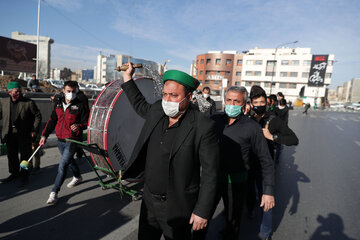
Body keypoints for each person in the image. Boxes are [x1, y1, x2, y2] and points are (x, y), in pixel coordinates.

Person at [121, 63, 220, 240]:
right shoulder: (158, 110)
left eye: (174, 96)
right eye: (165, 94)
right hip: (149, 200)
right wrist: (128, 78)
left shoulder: (203, 126)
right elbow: (139, 103)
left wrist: (202, 211)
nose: (167, 100)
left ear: (188, 97)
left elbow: (210, 173)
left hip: (178, 207)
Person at [210, 86, 275, 240]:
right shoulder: (214, 121)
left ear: (245, 104)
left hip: (237, 183)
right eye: (229, 100)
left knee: (233, 221)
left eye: (236, 101)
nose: (231, 104)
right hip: (213, 180)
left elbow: (266, 159)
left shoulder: (252, 127)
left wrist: (268, 191)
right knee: (202, 218)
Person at [248, 85, 299, 239]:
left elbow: (293, 139)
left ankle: (266, 232)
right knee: (250, 194)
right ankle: (250, 208)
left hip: (266, 167)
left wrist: (273, 137)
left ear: (267, 103)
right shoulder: (247, 119)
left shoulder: (274, 120)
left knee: (267, 201)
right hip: (249, 166)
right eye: (255, 103)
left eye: (261, 102)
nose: (258, 105)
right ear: (251, 104)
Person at [40, 80, 89, 205]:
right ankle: (78, 176)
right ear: (63, 90)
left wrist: (79, 125)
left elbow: (87, 121)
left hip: (72, 140)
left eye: (73, 91)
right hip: (60, 139)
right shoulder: (57, 103)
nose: (71, 94)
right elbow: (52, 120)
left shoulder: (80, 104)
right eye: (68, 91)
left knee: (62, 166)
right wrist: (44, 135)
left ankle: (54, 192)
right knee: (69, 160)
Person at [0, 82, 42, 185]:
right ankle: (14, 174)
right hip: (9, 134)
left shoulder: (28, 102)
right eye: (15, 91)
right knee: (11, 155)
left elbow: (38, 116)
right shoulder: (3, 102)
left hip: (24, 134)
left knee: (25, 156)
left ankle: (24, 176)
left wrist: (34, 130)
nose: (18, 93)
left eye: (19, 91)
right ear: (9, 92)